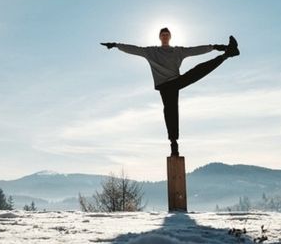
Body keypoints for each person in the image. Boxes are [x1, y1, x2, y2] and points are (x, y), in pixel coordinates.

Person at [101, 27, 239, 156]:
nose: (165, 36)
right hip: (164, 86)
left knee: (197, 71)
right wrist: (115, 45)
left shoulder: (178, 51)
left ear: (170, 37)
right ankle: (173, 143)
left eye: (167, 34)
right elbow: (133, 49)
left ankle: (227, 54)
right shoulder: (151, 52)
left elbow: (195, 50)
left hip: (176, 82)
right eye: (163, 35)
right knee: (170, 110)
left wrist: (216, 47)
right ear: (160, 37)